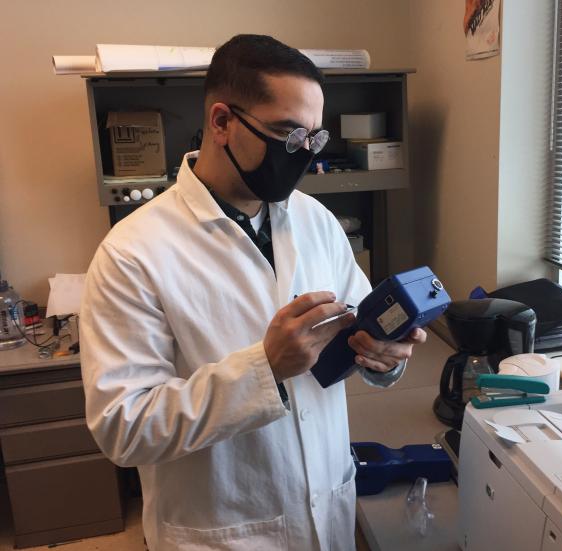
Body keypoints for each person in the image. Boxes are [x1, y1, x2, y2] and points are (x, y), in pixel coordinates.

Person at [80, 34, 426, 551]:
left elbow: (357, 325)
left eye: (313, 140)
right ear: (222, 122)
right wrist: (263, 368)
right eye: (288, 137)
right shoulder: (132, 252)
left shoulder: (316, 221)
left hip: (326, 514)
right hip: (223, 533)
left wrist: (382, 356)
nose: (303, 157)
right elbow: (123, 429)